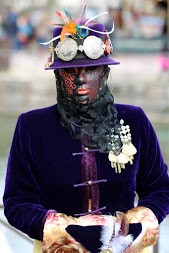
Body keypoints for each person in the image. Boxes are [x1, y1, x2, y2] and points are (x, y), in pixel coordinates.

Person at [3, 7, 169, 253]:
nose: (81, 79)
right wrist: (65, 230)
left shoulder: (134, 120)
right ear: (58, 75)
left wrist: (134, 227)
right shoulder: (32, 127)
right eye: (71, 71)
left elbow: (160, 188)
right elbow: (16, 202)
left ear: (104, 73)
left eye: (90, 69)